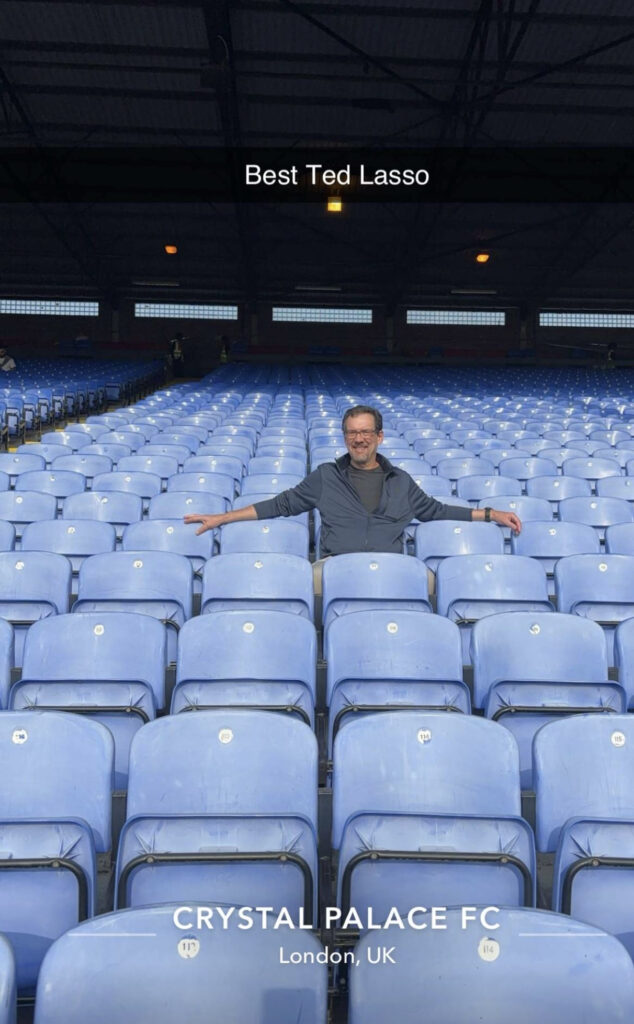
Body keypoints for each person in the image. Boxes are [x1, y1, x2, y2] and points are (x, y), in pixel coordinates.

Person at [185, 405, 522, 591]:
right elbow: (279, 505)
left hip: (391, 566)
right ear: (345, 437)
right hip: (336, 566)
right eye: (352, 432)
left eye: (365, 432)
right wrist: (222, 518)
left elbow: (436, 510)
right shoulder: (325, 477)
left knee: (434, 585)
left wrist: (491, 514)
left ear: (379, 436)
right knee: (300, 587)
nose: (359, 439)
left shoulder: (401, 481)